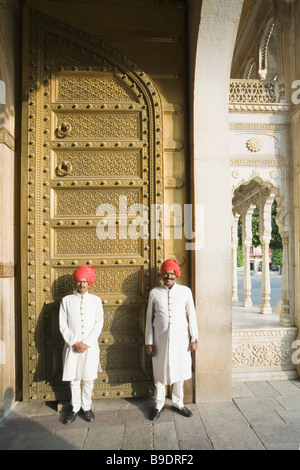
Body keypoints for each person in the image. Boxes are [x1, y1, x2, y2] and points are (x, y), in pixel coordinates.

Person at [145, 259, 198, 420]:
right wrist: (149, 340)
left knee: (180, 371)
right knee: (160, 372)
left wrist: (194, 338)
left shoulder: (185, 291)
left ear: (176, 274)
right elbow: (149, 318)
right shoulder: (154, 293)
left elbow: (192, 315)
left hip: (181, 339)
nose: (168, 276)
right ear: (162, 274)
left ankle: (178, 403)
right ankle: (158, 404)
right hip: (160, 339)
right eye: (166, 273)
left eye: (172, 273)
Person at [59, 265, 103, 424]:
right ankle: (75, 408)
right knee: (74, 379)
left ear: (89, 282)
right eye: (79, 281)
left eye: (85, 281)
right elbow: (63, 325)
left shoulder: (96, 301)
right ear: (75, 282)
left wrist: (86, 343)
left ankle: (87, 407)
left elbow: (99, 324)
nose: (82, 284)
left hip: (90, 347)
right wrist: (75, 342)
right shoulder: (66, 301)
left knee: (88, 378)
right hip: (72, 346)